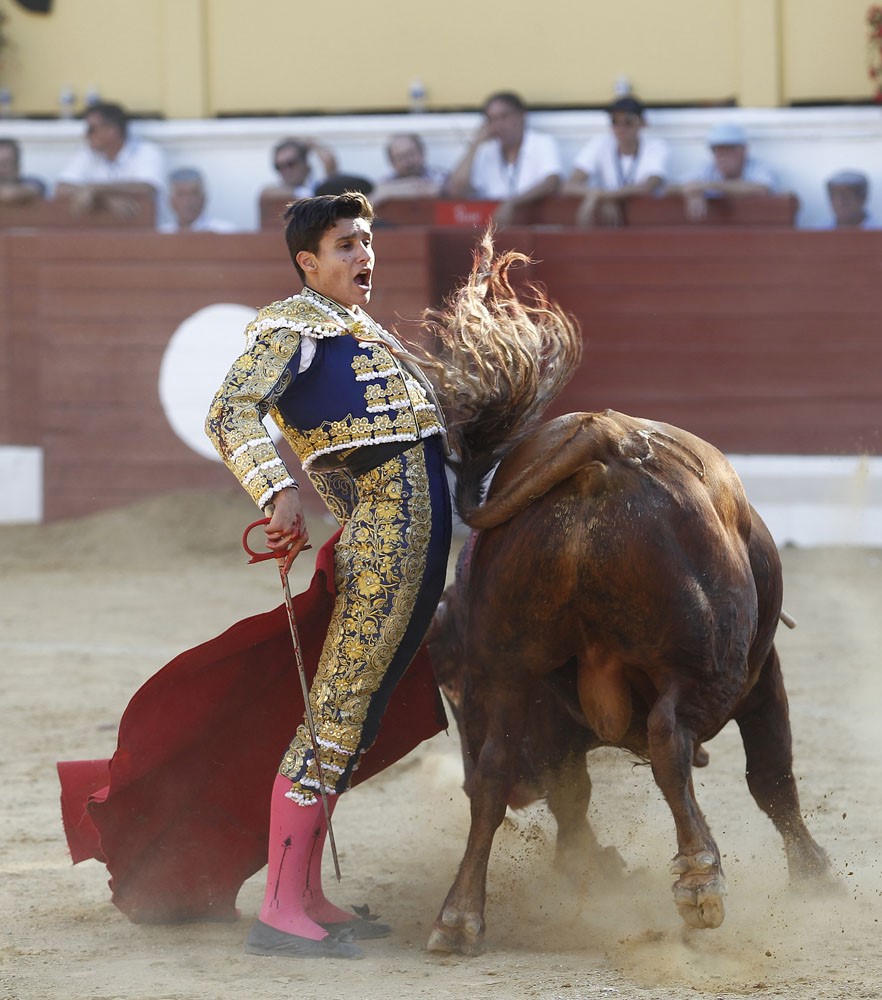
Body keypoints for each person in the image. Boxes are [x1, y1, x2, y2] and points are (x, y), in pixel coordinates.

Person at [205, 192, 452, 960]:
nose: (363, 255)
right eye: (346, 245)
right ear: (309, 263)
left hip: (415, 544)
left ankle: (306, 893)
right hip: (383, 544)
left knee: (358, 715)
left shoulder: (358, 329)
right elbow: (229, 411)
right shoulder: (290, 326)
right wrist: (277, 492)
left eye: (367, 241)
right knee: (338, 712)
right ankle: (280, 909)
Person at [445, 91, 563, 225]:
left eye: (504, 117)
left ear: (521, 116)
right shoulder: (486, 150)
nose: (498, 125)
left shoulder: (541, 142)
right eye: (492, 120)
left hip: (535, 225)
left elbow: (552, 182)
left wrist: (512, 203)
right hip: (492, 230)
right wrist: (476, 143)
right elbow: (456, 190)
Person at [564, 95, 670, 226]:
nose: (621, 127)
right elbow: (569, 185)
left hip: (647, 221)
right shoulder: (600, 143)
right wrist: (596, 194)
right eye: (615, 121)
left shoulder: (656, 147)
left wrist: (604, 197)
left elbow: (649, 186)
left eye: (628, 121)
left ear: (643, 123)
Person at [55, 101, 166, 219]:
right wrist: (106, 199)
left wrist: (95, 189)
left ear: (111, 130)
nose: (86, 135)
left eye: (91, 129)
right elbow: (62, 188)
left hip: (147, 230)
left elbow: (147, 188)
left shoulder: (147, 151)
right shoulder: (87, 154)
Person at [676, 122, 776, 222]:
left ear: (743, 150)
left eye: (727, 150)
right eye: (717, 151)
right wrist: (693, 193)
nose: (722, 157)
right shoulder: (707, 168)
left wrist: (707, 186)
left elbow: (761, 189)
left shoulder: (757, 167)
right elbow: (671, 187)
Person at [369, 132, 447, 206]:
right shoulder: (385, 181)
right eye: (400, 158)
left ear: (422, 153)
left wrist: (390, 191)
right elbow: (369, 202)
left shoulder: (439, 176)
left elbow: (442, 191)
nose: (407, 162)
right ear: (392, 162)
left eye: (411, 154)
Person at [159, 166, 238, 233]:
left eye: (194, 194)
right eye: (181, 195)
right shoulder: (161, 235)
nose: (188, 201)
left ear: (204, 198)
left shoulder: (226, 232)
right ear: (171, 201)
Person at [261, 137, 338, 200]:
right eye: (278, 166)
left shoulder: (318, 186)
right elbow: (266, 193)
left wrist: (313, 144)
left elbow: (329, 164)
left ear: (305, 163)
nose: (284, 171)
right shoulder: (272, 193)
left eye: (290, 164)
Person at [0, 137, 46, 204]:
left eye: (6, 163)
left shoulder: (33, 182)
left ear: (18, 166)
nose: (1, 169)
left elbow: (10, 195)